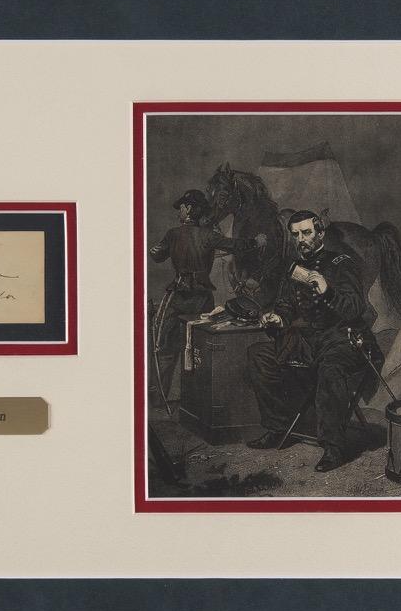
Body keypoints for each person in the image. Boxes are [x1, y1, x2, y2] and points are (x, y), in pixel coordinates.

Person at [244, 209, 383, 471]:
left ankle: (333, 446)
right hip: (308, 341)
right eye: (296, 235)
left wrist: (327, 291)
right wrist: (278, 318)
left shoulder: (342, 263)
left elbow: (354, 308)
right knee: (259, 355)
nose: (301, 240)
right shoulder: (294, 269)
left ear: (320, 233)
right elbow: (286, 305)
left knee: (331, 368)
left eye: (306, 233)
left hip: (342, 339)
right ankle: (277, 427)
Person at [149, 189, 265, 406]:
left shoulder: (172, 234)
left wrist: (165, 248)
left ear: (189, 209)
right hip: (202, 299)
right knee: (201, 348)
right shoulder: (209, 235)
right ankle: (197, 401)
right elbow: (236, 245)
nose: (179, 212)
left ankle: (158, 399)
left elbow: (156, 255)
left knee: (164, 346)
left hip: (177, 298)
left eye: (181, 208)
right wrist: (256, 242)